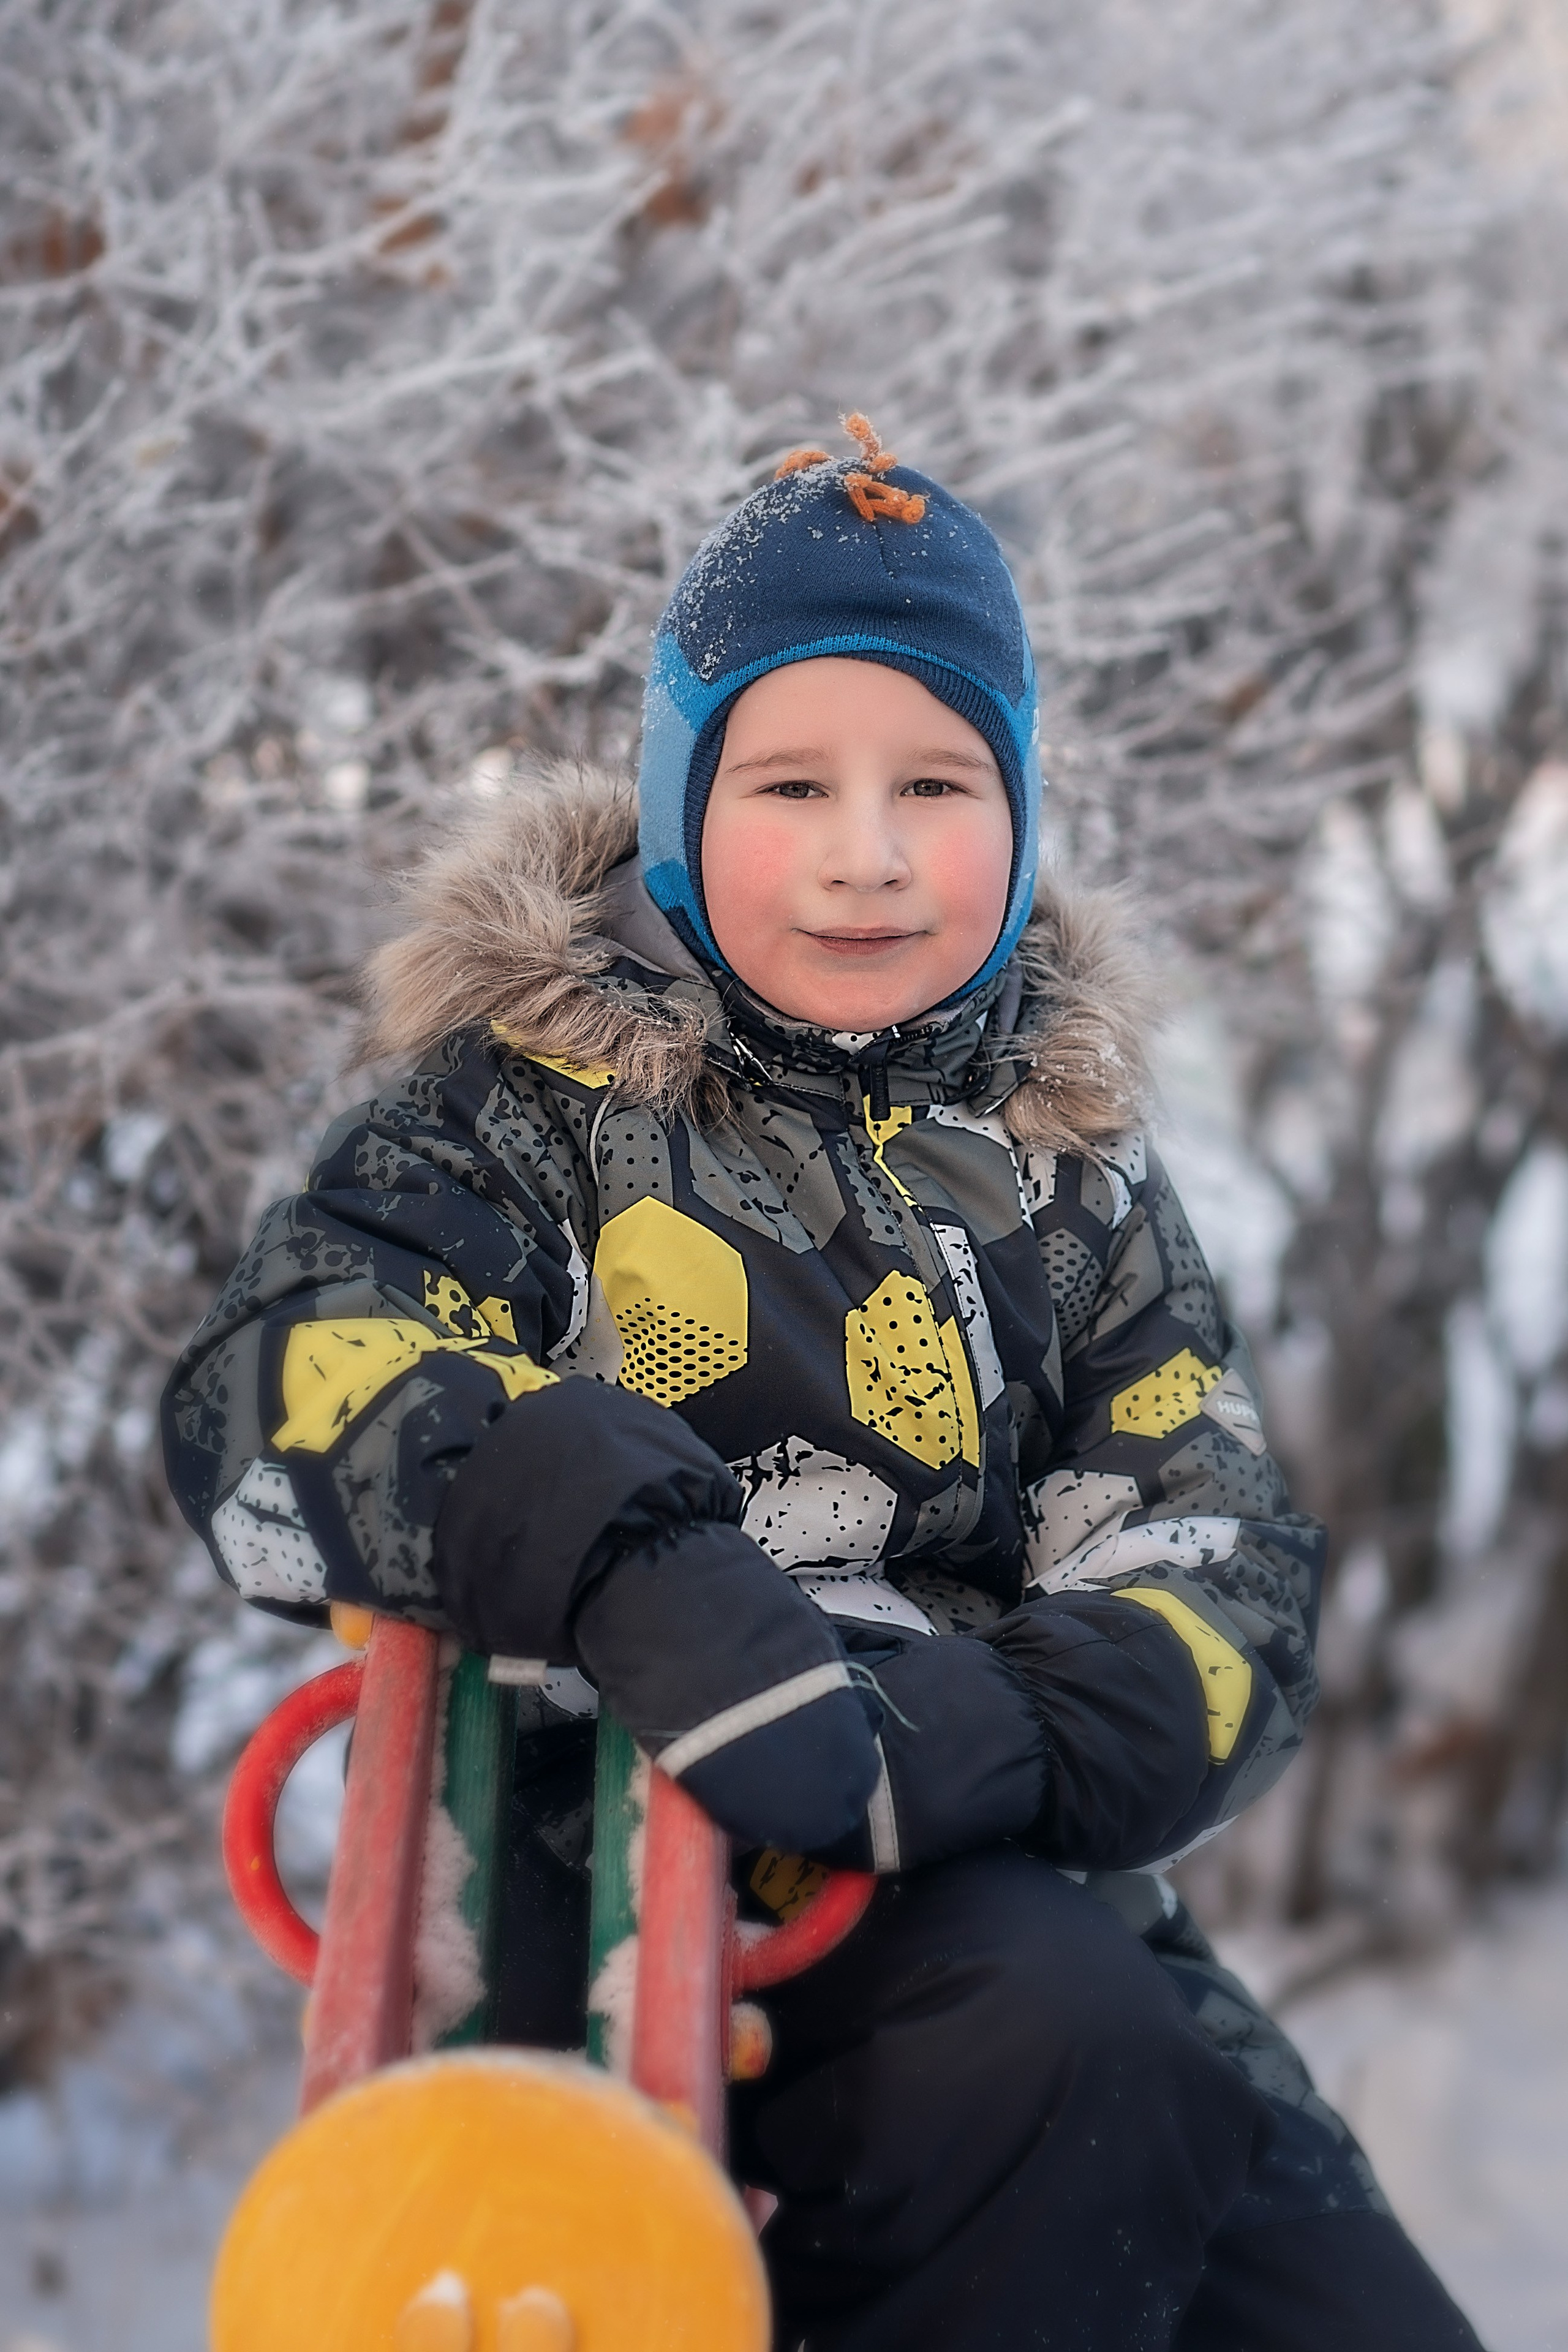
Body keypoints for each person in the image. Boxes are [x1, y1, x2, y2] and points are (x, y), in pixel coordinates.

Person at [162, 417, 1483, 2350]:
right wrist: (628, 1555)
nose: (870, 855)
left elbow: (1221, 1543)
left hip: (981, 1856)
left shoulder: (1069, 1165)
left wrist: (988, 1733)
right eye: (792, 783)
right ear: (684, 804)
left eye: (937, 783)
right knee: (1070, 2049)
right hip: (609, 1892)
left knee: (1322, 2280)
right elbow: (279, 1382)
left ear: (1020, 812)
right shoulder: (533, 1112)